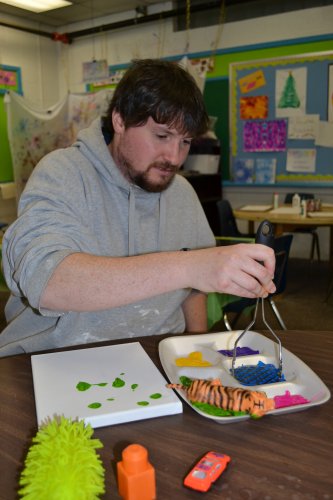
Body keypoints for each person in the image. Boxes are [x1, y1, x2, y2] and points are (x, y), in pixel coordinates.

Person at [0, 59, 275, 357]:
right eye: (162, 136)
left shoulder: (181, 191)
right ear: (120, 121)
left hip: (157, 356)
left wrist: (197, 351)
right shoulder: (64, 173)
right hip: (54, 360)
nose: (174, 157)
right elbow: (48, 284)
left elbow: (195, 289)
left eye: (185, 141)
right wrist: (190, 266)